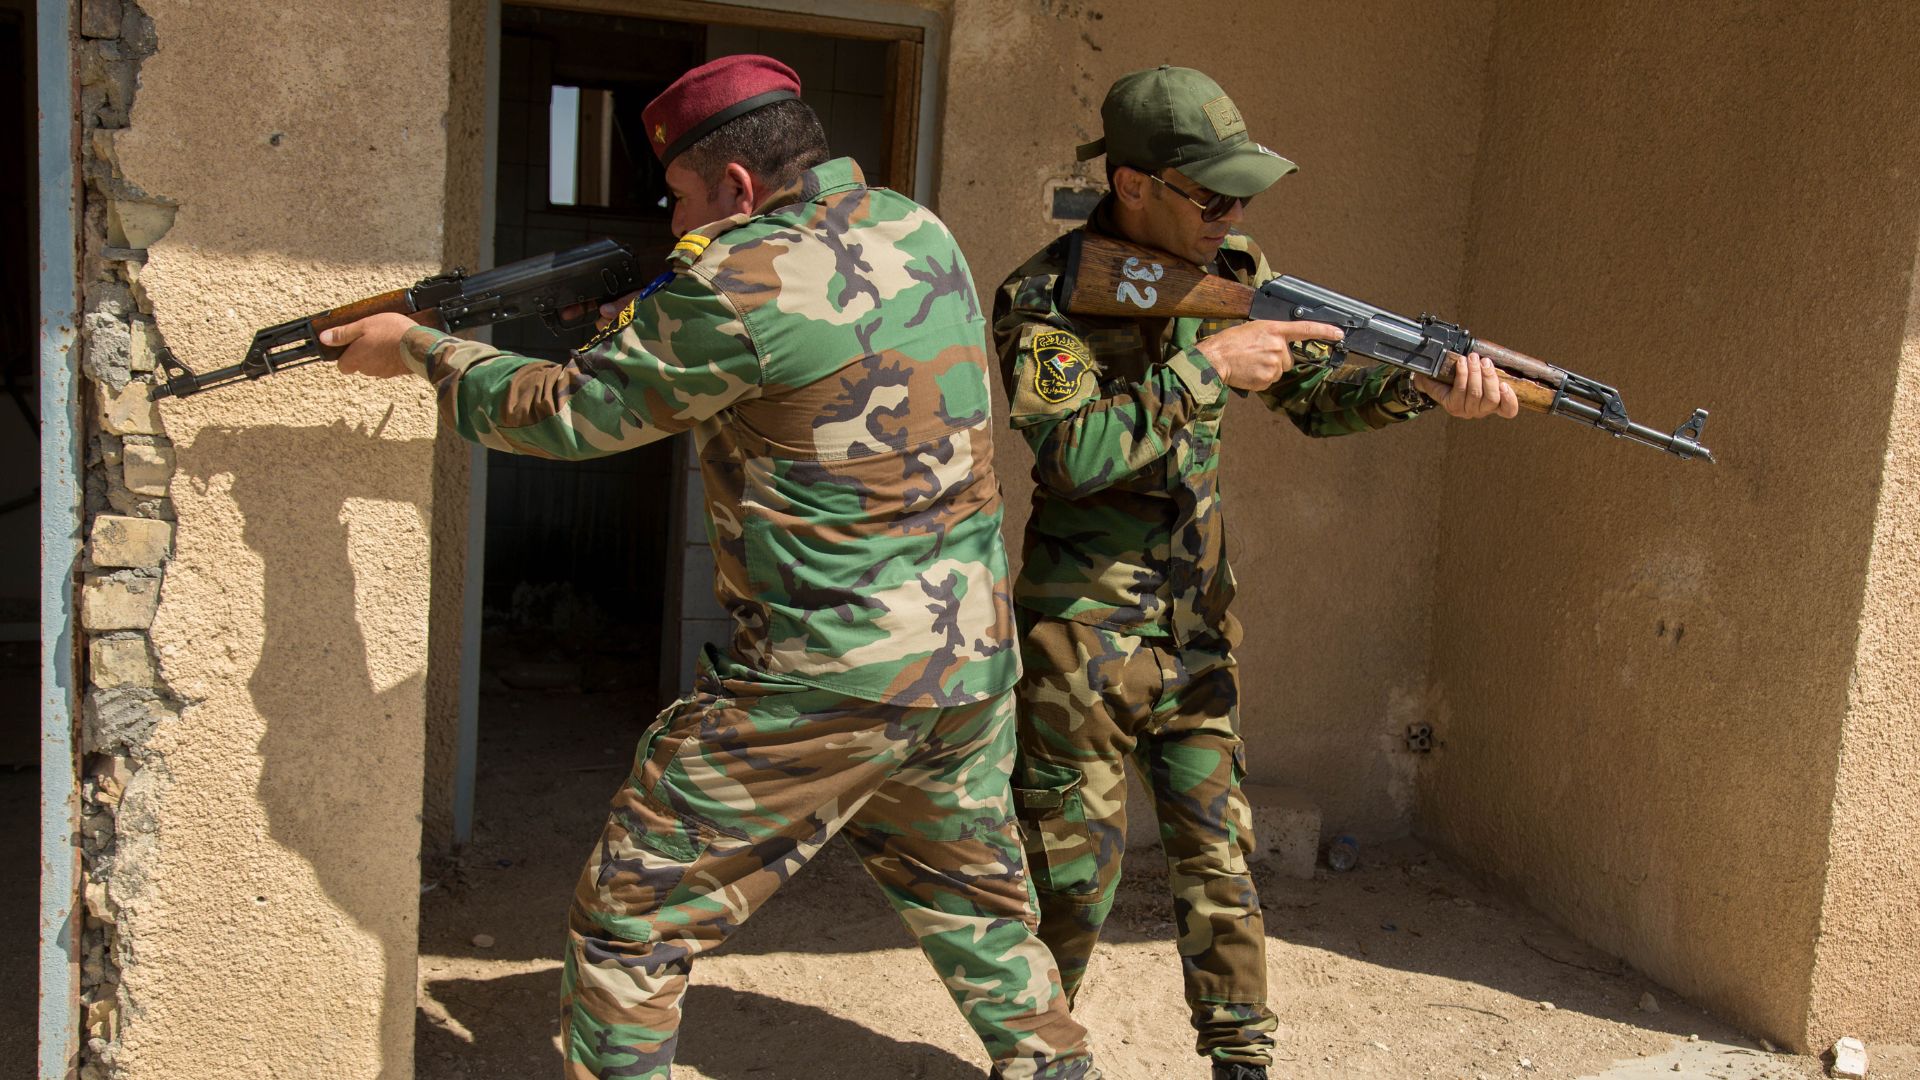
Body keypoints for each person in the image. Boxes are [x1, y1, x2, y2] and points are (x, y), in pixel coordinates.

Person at [325, 55, 1100, 1080]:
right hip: (964, 660)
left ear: (736, 186)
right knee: (977, 902)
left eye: (684, 196)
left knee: (633, 916)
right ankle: (1058, 1068)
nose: (678, 219)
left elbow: (571, 414)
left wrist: (422, 351)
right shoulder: (917, 226)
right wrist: (640, 325)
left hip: (828, 676)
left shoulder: (734, 279)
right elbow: (817, 357)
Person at [991, 65, 1517, 1080]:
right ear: (1134, 184)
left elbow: (1317, 400)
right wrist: (1203, 369)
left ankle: (1242, 1062)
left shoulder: (1232, 269)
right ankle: (1033, 1062)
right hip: (1084, 641)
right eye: (1214, 195)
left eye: (1245, 197)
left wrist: (1423, 393)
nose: (1235, 216)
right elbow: (1069, 457)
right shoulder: (1044, 293)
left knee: (1220, 864)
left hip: (1197, 629)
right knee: (1068, 880)